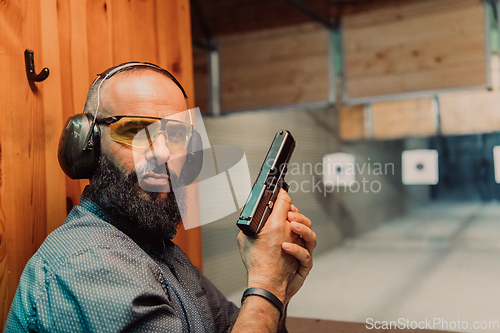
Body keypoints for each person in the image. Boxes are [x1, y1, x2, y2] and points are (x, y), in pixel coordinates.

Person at [4, 63, 316, 332]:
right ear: (88, 144)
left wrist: (278, 282)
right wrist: (267, 285)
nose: (163, 153)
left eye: (177, 136)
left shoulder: (159, 251)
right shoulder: (88, 263)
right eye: (136, 130)